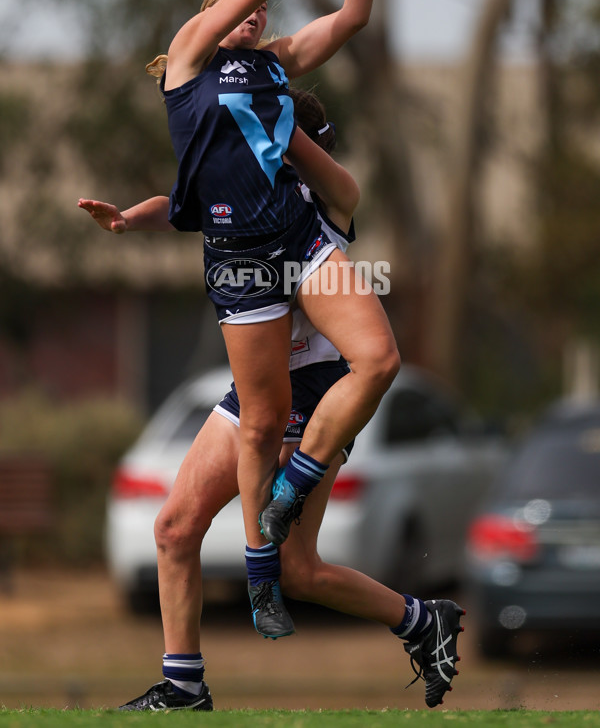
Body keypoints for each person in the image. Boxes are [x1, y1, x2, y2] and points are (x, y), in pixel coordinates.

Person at [94, 0, 402, 645]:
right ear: (210, 16)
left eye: (262, 5)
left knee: (379, 359)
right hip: (240, 263)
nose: (258, 6)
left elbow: (357, 15)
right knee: (259, 424)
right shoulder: (190, 60)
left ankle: (296, 489)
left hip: (298, 241)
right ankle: (262, 577)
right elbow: (191, 195)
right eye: (241, 0)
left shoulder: (277, 66)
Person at [79, 90, 464, 712]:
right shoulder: (238, 199)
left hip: (314, 393)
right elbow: (180, 208)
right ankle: (183, 688)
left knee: (297, 570)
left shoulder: (320, 206)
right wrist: (128, 219)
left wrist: (264, 114)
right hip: (254, 395)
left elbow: (333, 182)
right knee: (175, 528)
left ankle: (422, 620)